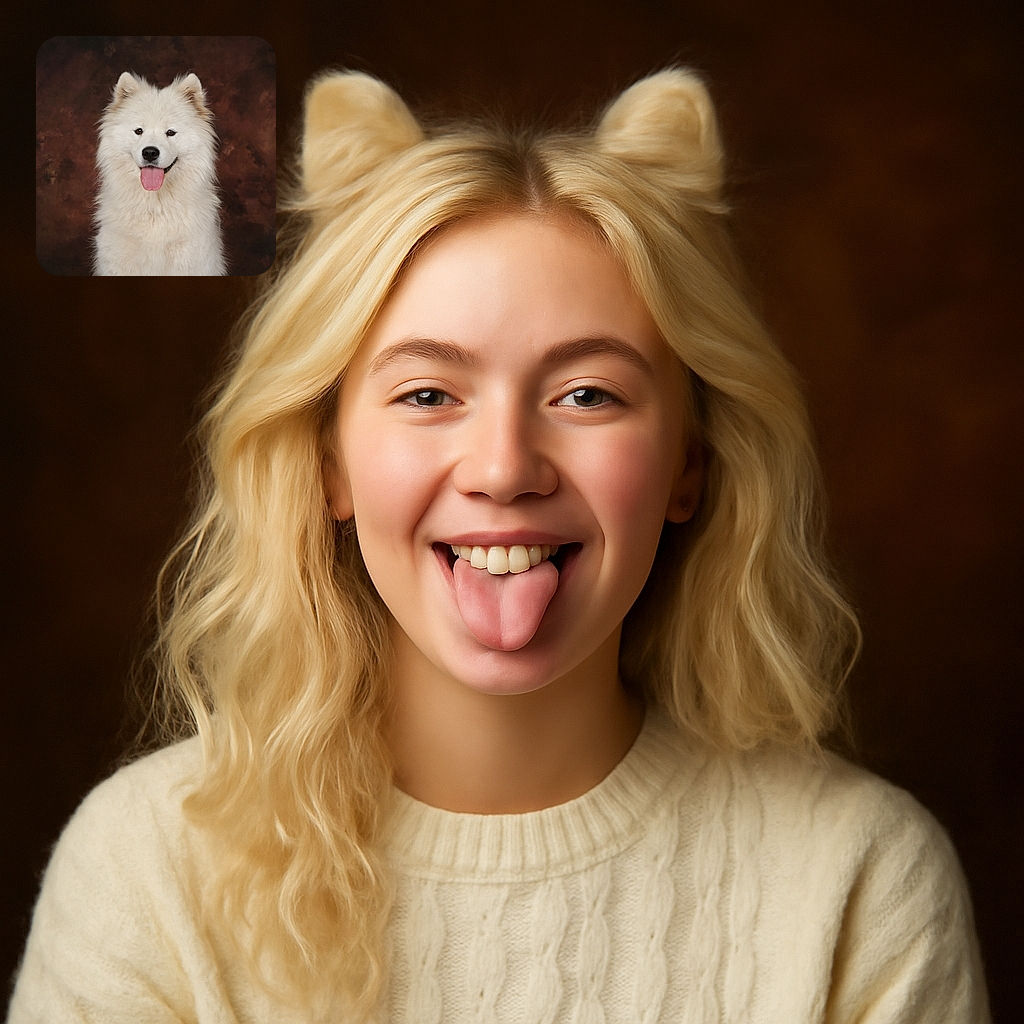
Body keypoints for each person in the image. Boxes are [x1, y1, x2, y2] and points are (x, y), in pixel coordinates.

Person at [9, 68, 989, 1023]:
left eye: (587, 394)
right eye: (428, 393)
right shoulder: (145, 870)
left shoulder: (859, 882)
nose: (504, 468)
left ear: (689, 467)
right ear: (330, 466)